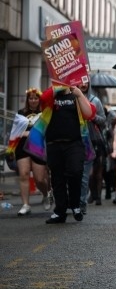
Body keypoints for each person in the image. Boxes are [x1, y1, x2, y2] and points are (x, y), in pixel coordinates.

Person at [24, 85, 96, 224]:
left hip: (74, 143)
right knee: (57, 178)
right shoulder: (51, 95)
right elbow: (43, 98)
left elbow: (89, 114)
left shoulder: (76, 95)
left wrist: (80, 95)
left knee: (76, 172)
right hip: (54, 144)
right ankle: (60, 211)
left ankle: (75, 205)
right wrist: (57, 87)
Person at [14, 88, 53, 216]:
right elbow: (15, 131)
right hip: (22, 146)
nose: (33, 101)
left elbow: (47, 130)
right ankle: (26, 204)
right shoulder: (20, 113)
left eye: (36, 98)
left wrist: (31, 133)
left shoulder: (44, 113)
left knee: (39, 179)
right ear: (27, 100)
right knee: (24, 174)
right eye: (31, 98)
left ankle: (46, 193)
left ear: (39, 99)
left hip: (38, 147)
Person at [79, 82, 107, 215]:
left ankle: (84, 201)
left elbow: (103, 120)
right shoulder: (71, 99)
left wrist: (92, 116)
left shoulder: (95, 100)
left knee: (89, 174)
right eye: (79, 81)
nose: (82, 84)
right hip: (75, 141)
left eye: (85, 81)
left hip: (92, 141)